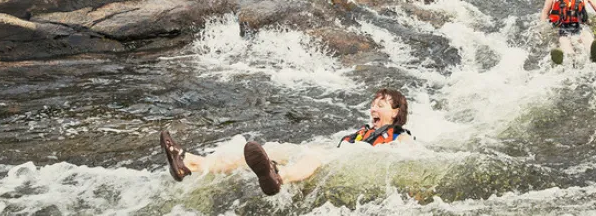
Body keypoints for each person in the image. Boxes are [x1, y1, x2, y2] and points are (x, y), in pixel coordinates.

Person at [159, 88, 411, 196]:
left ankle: (281, 178)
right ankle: (191, 163)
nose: (373, 108)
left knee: (315, 156)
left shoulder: (401, 137)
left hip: (345, 165)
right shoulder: (362, 133)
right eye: (373, 103)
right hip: (337, 157)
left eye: (381, 104)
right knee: (271, 149)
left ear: (396, 114)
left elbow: (406, 161)